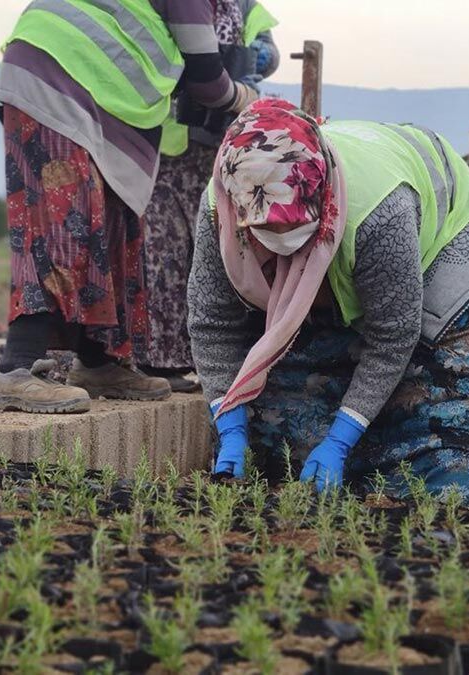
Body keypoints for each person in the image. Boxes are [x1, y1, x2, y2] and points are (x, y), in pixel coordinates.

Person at [187, 99, 469, 498]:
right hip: (359, 246)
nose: (286, 250)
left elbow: (392, 337)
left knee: (436, 433)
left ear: (324, 198)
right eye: (268, 233)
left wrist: (340, 439)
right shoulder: (221, 209)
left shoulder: (380, 213)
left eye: (299, 233)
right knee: (278, 446)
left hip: (439, 240)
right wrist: (229, 426)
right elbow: (214, 325)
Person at [0, 0, 259, 414]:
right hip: (59, 73)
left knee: (114, 220)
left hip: (94, 86)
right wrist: (244, 98)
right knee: (60, 223)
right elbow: (205, 75)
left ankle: (98, 360)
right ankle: (15, 369)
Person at [142, 0, 280, 393]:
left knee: (209, 249)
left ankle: (205, 357)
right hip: (170, 138)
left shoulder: (244, 5)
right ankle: (158, 359)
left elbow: (268, 52)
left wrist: (247, 60)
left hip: (217, 138)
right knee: (162, 247)